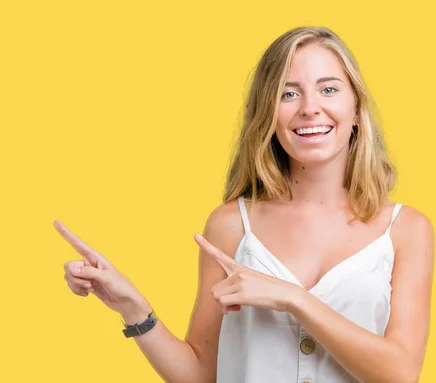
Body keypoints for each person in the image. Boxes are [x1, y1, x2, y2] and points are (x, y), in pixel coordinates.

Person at [54, 26, 434, 383]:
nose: (309, 107)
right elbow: (201, 373)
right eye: (288, 93)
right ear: (268, 114)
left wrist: (293, 299)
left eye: (329, 89)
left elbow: (400, 373)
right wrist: (133, 308)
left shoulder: (405, 230)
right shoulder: (231, 225)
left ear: (356, 109)